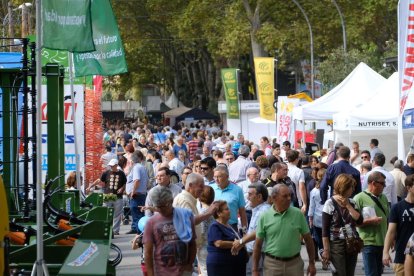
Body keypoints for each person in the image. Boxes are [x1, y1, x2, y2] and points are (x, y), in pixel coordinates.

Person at [253, 184, 316, 276]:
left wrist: (311, 263)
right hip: (272, 265)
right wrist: (255, 270)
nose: (289, 198)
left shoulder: (298, 214)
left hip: (295, 264)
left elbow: (308, 239)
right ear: (274, 198)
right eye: (285, 196)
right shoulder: (264, 217)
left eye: (290, 195)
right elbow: (258, 245)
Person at [143, 186, 197, 276]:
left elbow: (192, 243)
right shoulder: (151, 222)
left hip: (183, 271)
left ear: (171, 201)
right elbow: (148, 253)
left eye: (163, 206)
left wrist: (189, 264)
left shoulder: (186, 216)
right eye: (158, 207)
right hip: (161, 271)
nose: (161, 210)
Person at [321, 174, 362, 276]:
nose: (353, 189)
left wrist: (348, 206)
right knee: (340, 273)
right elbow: (325, 230)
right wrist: (326, 250)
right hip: (336, 243)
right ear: (344, 187)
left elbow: (360, 221)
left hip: (352, 242)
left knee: (350, 273)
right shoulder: (330, 203)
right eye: (351, 187)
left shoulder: (352, 202)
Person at [354, 171, 390, 276]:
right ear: (373, 183)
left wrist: (391, 238)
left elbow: (388, 218)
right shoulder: (359, 198)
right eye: (382, 183)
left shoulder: (383, 197)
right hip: (368, 242)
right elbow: (354, 223)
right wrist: (370, 221)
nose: (384, 186)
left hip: (382, 242)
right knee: (371, 273)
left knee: (379, 273)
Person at [232, 184, 271, 275]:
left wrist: (241, 242)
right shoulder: (257, 209)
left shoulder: (263, 211)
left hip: (259, 255)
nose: (248, 197)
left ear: (259, 196)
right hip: (254, 253)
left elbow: (258, 232)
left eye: (250, 194)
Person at [383, 174, 414, 275]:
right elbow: (391, 232)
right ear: (408, 188)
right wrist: (385, 252)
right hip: (401, 255)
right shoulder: (397, 207)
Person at [206, 200, 248, 276]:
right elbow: (218, 243)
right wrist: (237, 243)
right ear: (219, 213)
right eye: (226, 209)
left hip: (232, 265)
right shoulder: (215, 226)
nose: (229, 211)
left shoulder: (229, 226)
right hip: (221, 266)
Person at [211, 166, 247, 232]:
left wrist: (244, 230)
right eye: (215, 177)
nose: (216, 179)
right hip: (214, 226)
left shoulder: (237, 190)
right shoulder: (211, 188)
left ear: (227, 177)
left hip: (231, 226)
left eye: (219, 176)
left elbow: (242, 212)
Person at [126, 150, 149, 234]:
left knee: (137, 216)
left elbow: (136, 180)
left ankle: (139, 234)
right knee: (140, 215)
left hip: (136, 195)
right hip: (141, 194)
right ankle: (139, 232)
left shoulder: (136, 167)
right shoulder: (142, 167)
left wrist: (133, 192)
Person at [308, 168, 326, 266]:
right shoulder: (330, 189)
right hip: (329, 218)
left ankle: (323, 254)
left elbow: (312, 206)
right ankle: (327, 256)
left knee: (319, 241)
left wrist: (310, 218)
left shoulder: (314, 191)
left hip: (317, 219)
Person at [197, 186, 216, 276]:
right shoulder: (213, 212)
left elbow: (201, 231)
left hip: (204, 247)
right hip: (213, 247)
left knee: (205, 271)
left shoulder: (202, 213)